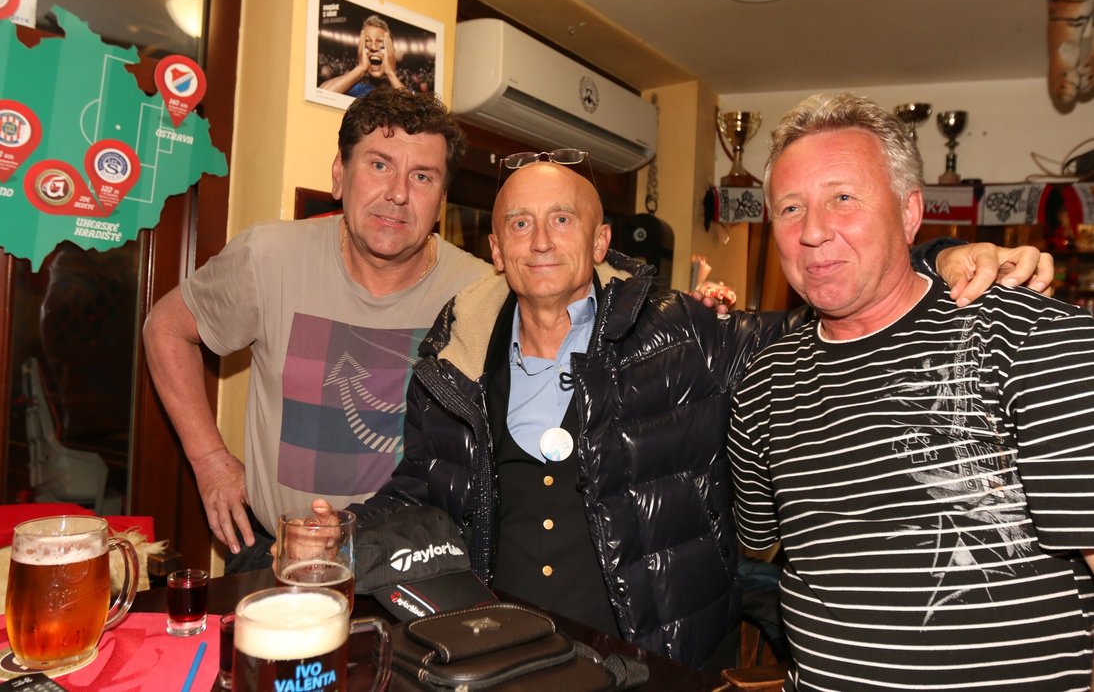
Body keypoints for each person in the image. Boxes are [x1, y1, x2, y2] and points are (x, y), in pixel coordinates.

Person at [294, 157, 1053, 670]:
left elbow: (827, 315)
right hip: (506, 658)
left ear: (599, 241)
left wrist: (933, 262)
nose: (541, 241)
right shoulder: (454, 354)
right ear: (495, 248)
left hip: (656, 662)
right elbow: (422, 488)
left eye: (563, 221)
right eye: (519, 224)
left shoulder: (683, 331)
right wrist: (346, 532)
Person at [728, 92, 1094, 690]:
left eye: (843, 198)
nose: (812, 232)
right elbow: (761, 542)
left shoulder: (1031, 334)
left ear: (909, 213)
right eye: (791, 208)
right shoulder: (764, 381)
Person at [141, 88, 492, 570]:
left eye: (422, 176)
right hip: (273, 553)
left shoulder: (479, 293)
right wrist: (209, 461)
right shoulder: (269, 258)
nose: (398, 193)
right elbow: (165, 328)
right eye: (379, 165)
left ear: (441, 201)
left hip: (412, 559)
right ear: (339, 175)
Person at [319, 15, 405, 98]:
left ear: (391, 52)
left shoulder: (398, 90)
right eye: (367, 41)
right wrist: (361, 69)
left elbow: (411, 107)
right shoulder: (352, 86)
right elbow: (320, 95)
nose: (373, 47)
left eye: (379, 41)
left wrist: (390, 74)